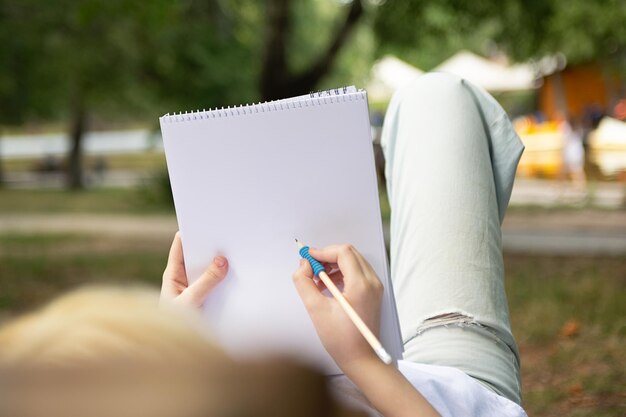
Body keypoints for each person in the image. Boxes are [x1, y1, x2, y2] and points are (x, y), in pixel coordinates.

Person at [161, 73, 528, 417]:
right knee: (441, 97)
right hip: (448, 396)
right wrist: (363, 363)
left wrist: (173, 360)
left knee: (434, 96)